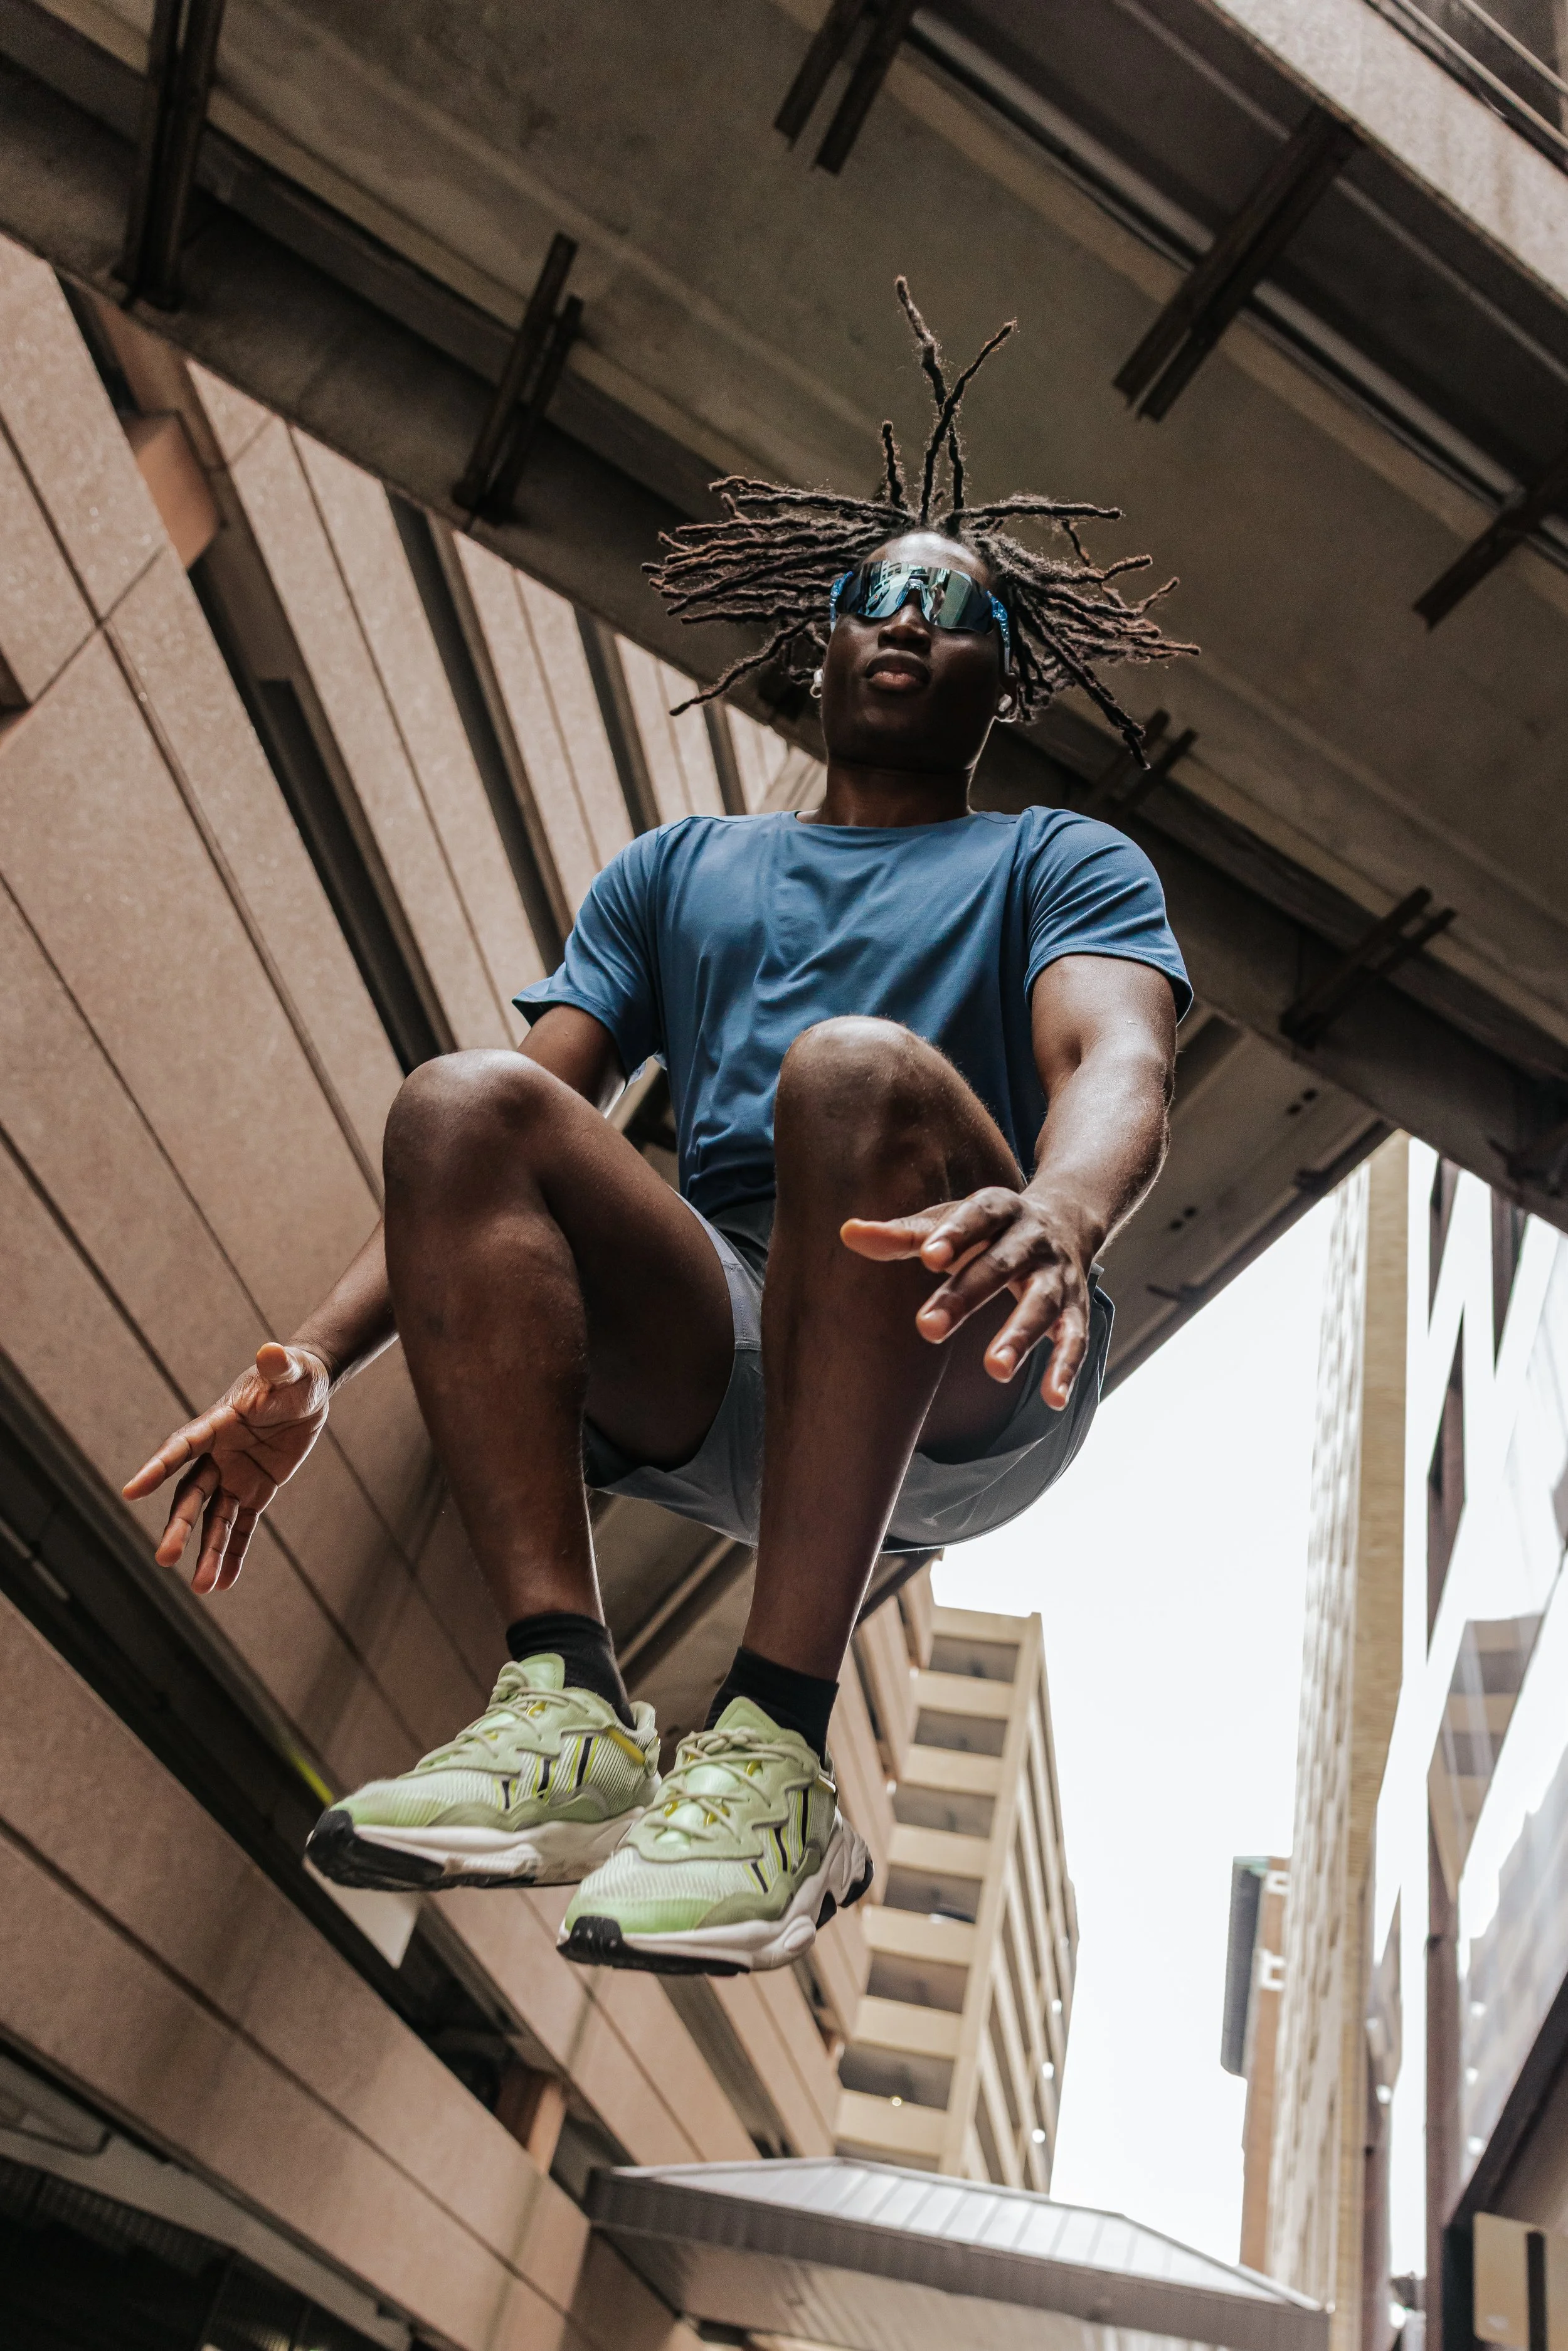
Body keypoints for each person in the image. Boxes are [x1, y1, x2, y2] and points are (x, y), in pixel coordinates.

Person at [123, 283, 1194, 1978]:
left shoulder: (1056, 863)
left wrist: (1060, 1212)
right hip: (714, 1345)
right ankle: (563, 1707)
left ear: (1004, 680)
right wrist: (322, 1363)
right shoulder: (680, 870)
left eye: (953, 609)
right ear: (821, 643)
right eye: (874, 596)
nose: (908, 621)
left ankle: (772, 1751)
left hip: (954, 1338)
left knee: (854, 1072)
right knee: (461, 1095)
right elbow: (497, 1139)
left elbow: (1116, 1055)